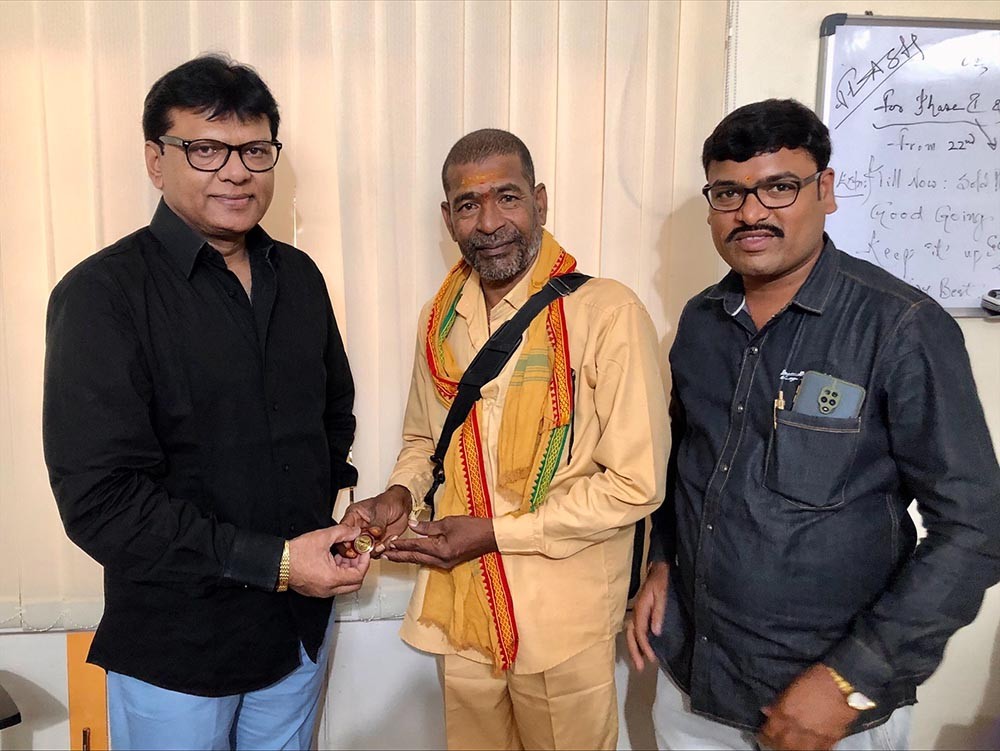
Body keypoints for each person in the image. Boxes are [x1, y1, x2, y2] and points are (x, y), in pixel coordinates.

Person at [627, 98, 1000, 751]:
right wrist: (661, 558)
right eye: (728, 192)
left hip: (828, 711)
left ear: (825, 190)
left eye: (778, 187)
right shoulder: (700, 323)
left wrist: (853, 679)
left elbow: (977, 526)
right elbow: (682, 461)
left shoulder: (899, 327)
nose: (751, 212)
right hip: (694, 687)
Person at [42, 55, 369, 751]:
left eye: (255, 150)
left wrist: (334, 516)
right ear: (155, 161)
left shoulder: (299, 278)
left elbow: (331, 419)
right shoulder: (102, 295)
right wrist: (276, 560)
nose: (236, 171)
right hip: (179, 646)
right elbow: (101, 501)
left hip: (296, 631)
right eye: (206, 149)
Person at [339, 128, 667, 750]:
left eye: (508, 197)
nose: (490, 223)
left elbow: (635, 484)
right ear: (448, 218)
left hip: (561, 619)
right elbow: (424, 438)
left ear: (540, 201)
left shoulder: (606, 313)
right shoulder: (441, 319)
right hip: (464, 607)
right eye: (469, 204)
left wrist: (495, 532)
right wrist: (401, 495)